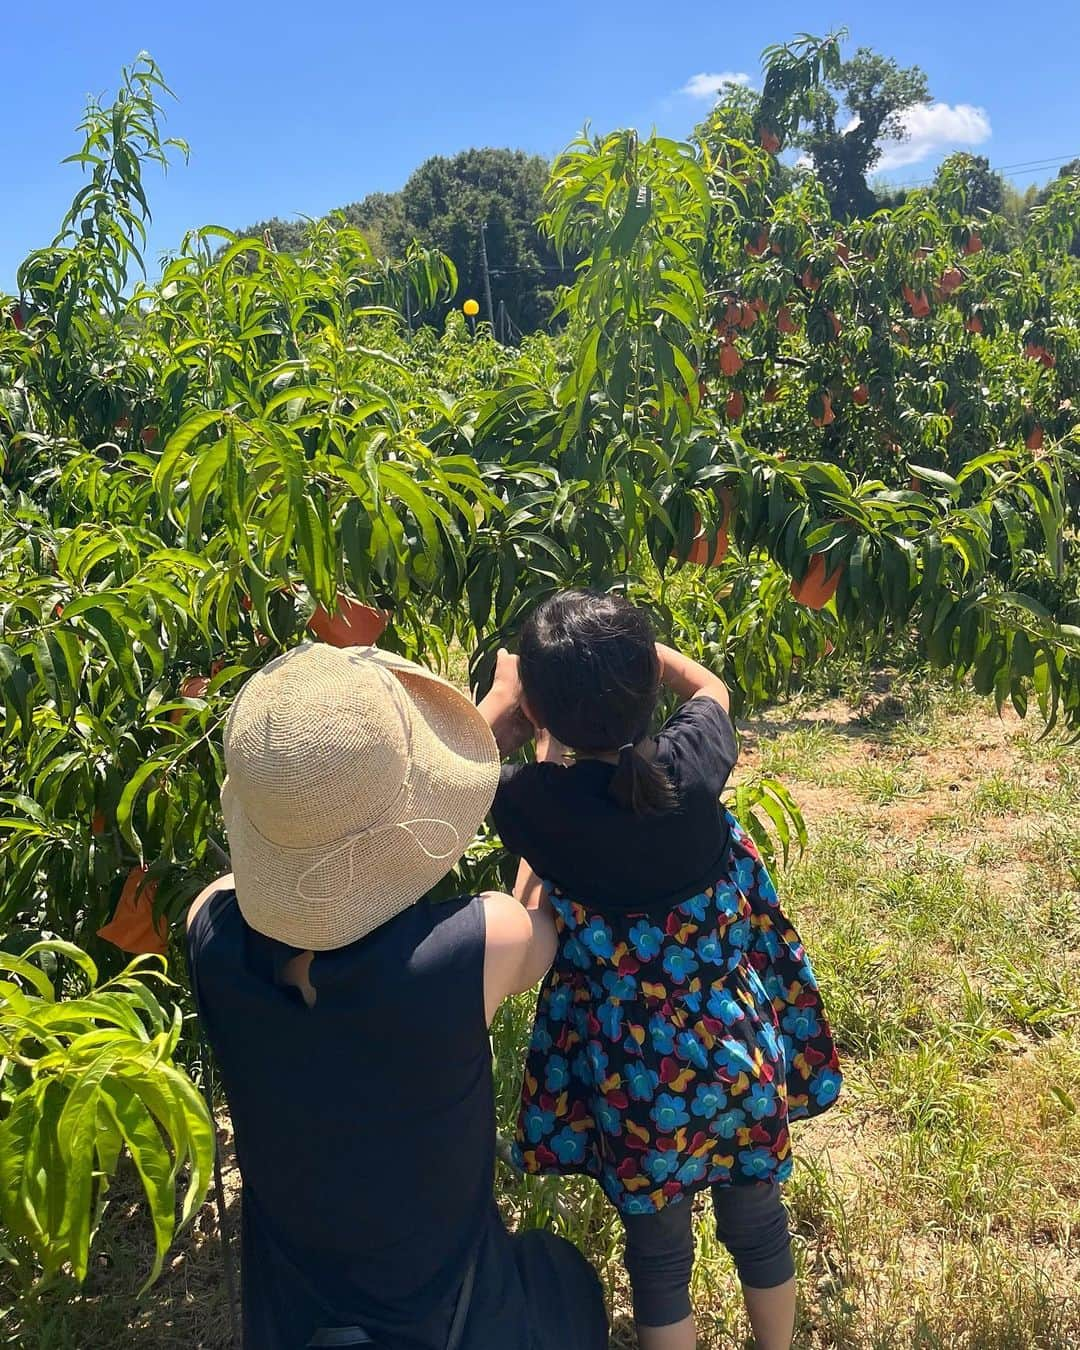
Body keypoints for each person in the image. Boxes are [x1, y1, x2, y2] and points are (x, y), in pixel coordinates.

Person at [186, 642, 609, 1350]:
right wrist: (544, 774)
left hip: (292, 1325)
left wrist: (489, 716)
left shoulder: (208, 929)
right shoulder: (474, 948)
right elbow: (540, 923)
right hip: (451, 1324)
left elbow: (310, 858)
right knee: (562, 1275)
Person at [481, 591, 842, 1350]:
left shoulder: (533, 807)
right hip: (736, 1048)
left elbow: (450, 787)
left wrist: (506, 709)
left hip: (634, 1078)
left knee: (659, 1258)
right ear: (646, 684)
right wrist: (647, 659)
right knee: (759, 1222)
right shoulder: (690, 763)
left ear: (543, 710)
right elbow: (713, 689)